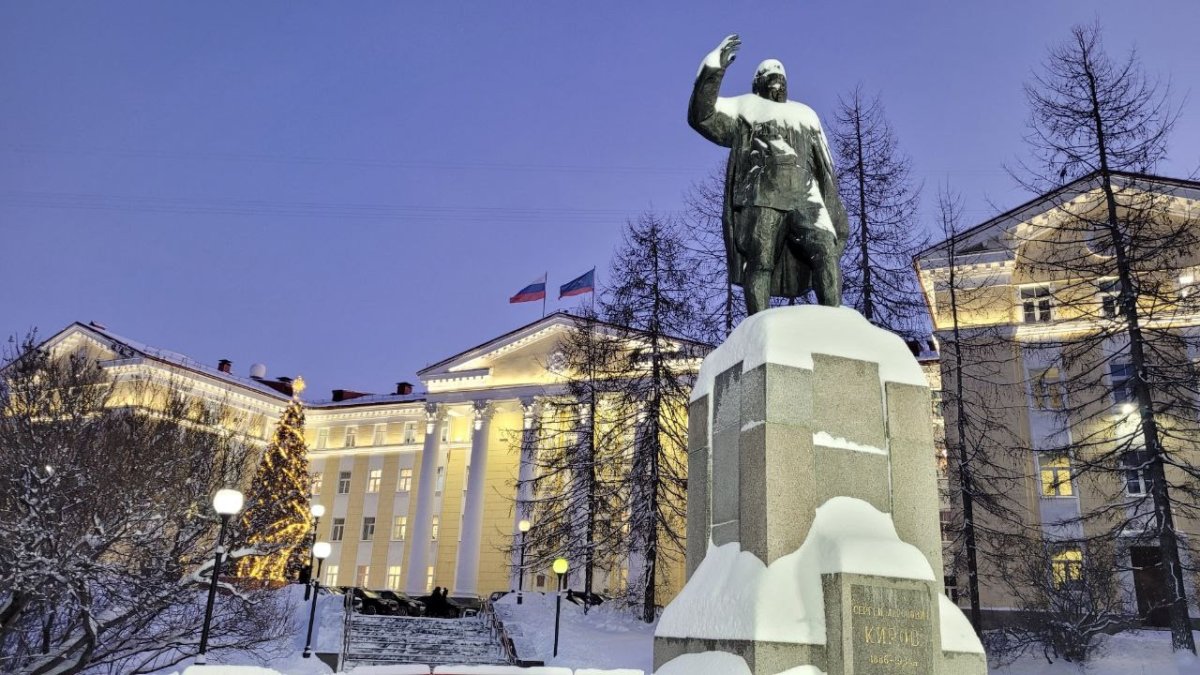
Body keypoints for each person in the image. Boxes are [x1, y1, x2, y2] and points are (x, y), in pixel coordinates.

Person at [688, 34, 849, 315]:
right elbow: (703, 116)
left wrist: (834, 211)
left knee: (826, 250)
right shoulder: (745, 108)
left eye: (780, 76)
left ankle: (835, 322)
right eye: (768, 76)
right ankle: (759, 325)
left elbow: (825, 166)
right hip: (761, 196)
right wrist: (713, 70)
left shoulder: (806, 114)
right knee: (760, 261)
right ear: (757, 83)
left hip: (806, 197)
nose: (776, 81)